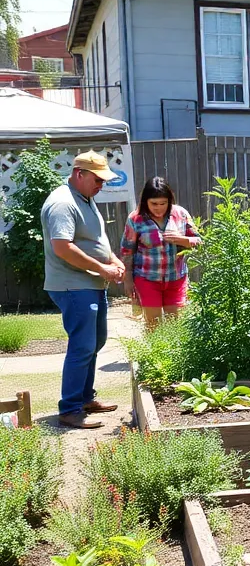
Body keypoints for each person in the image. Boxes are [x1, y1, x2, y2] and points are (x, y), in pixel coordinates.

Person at [40, 151, 127, 430]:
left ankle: (85, 398)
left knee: (95, 342)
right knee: (82, 346)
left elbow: (95, 240)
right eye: (97, 179)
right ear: (79, 174)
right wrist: (102, 269)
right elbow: (62, 247)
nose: (101, 184)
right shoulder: (63, 203)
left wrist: (112, 260)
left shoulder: (85, 198)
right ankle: (70, 409)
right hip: (73, 285)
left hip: (89, 284)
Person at [120, 177, 200, 329]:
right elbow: (127, 250)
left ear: (170, 201)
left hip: (176, 278)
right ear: (146, 201)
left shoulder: (181, 214)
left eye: (163, 203)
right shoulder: (136, 218)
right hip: (147, 278)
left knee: (176, 325)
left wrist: (183, 240)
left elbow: (200, 241)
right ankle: (154, 352)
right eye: (154, 204)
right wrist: (128, 279)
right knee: (153, 326)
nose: (159, 208)